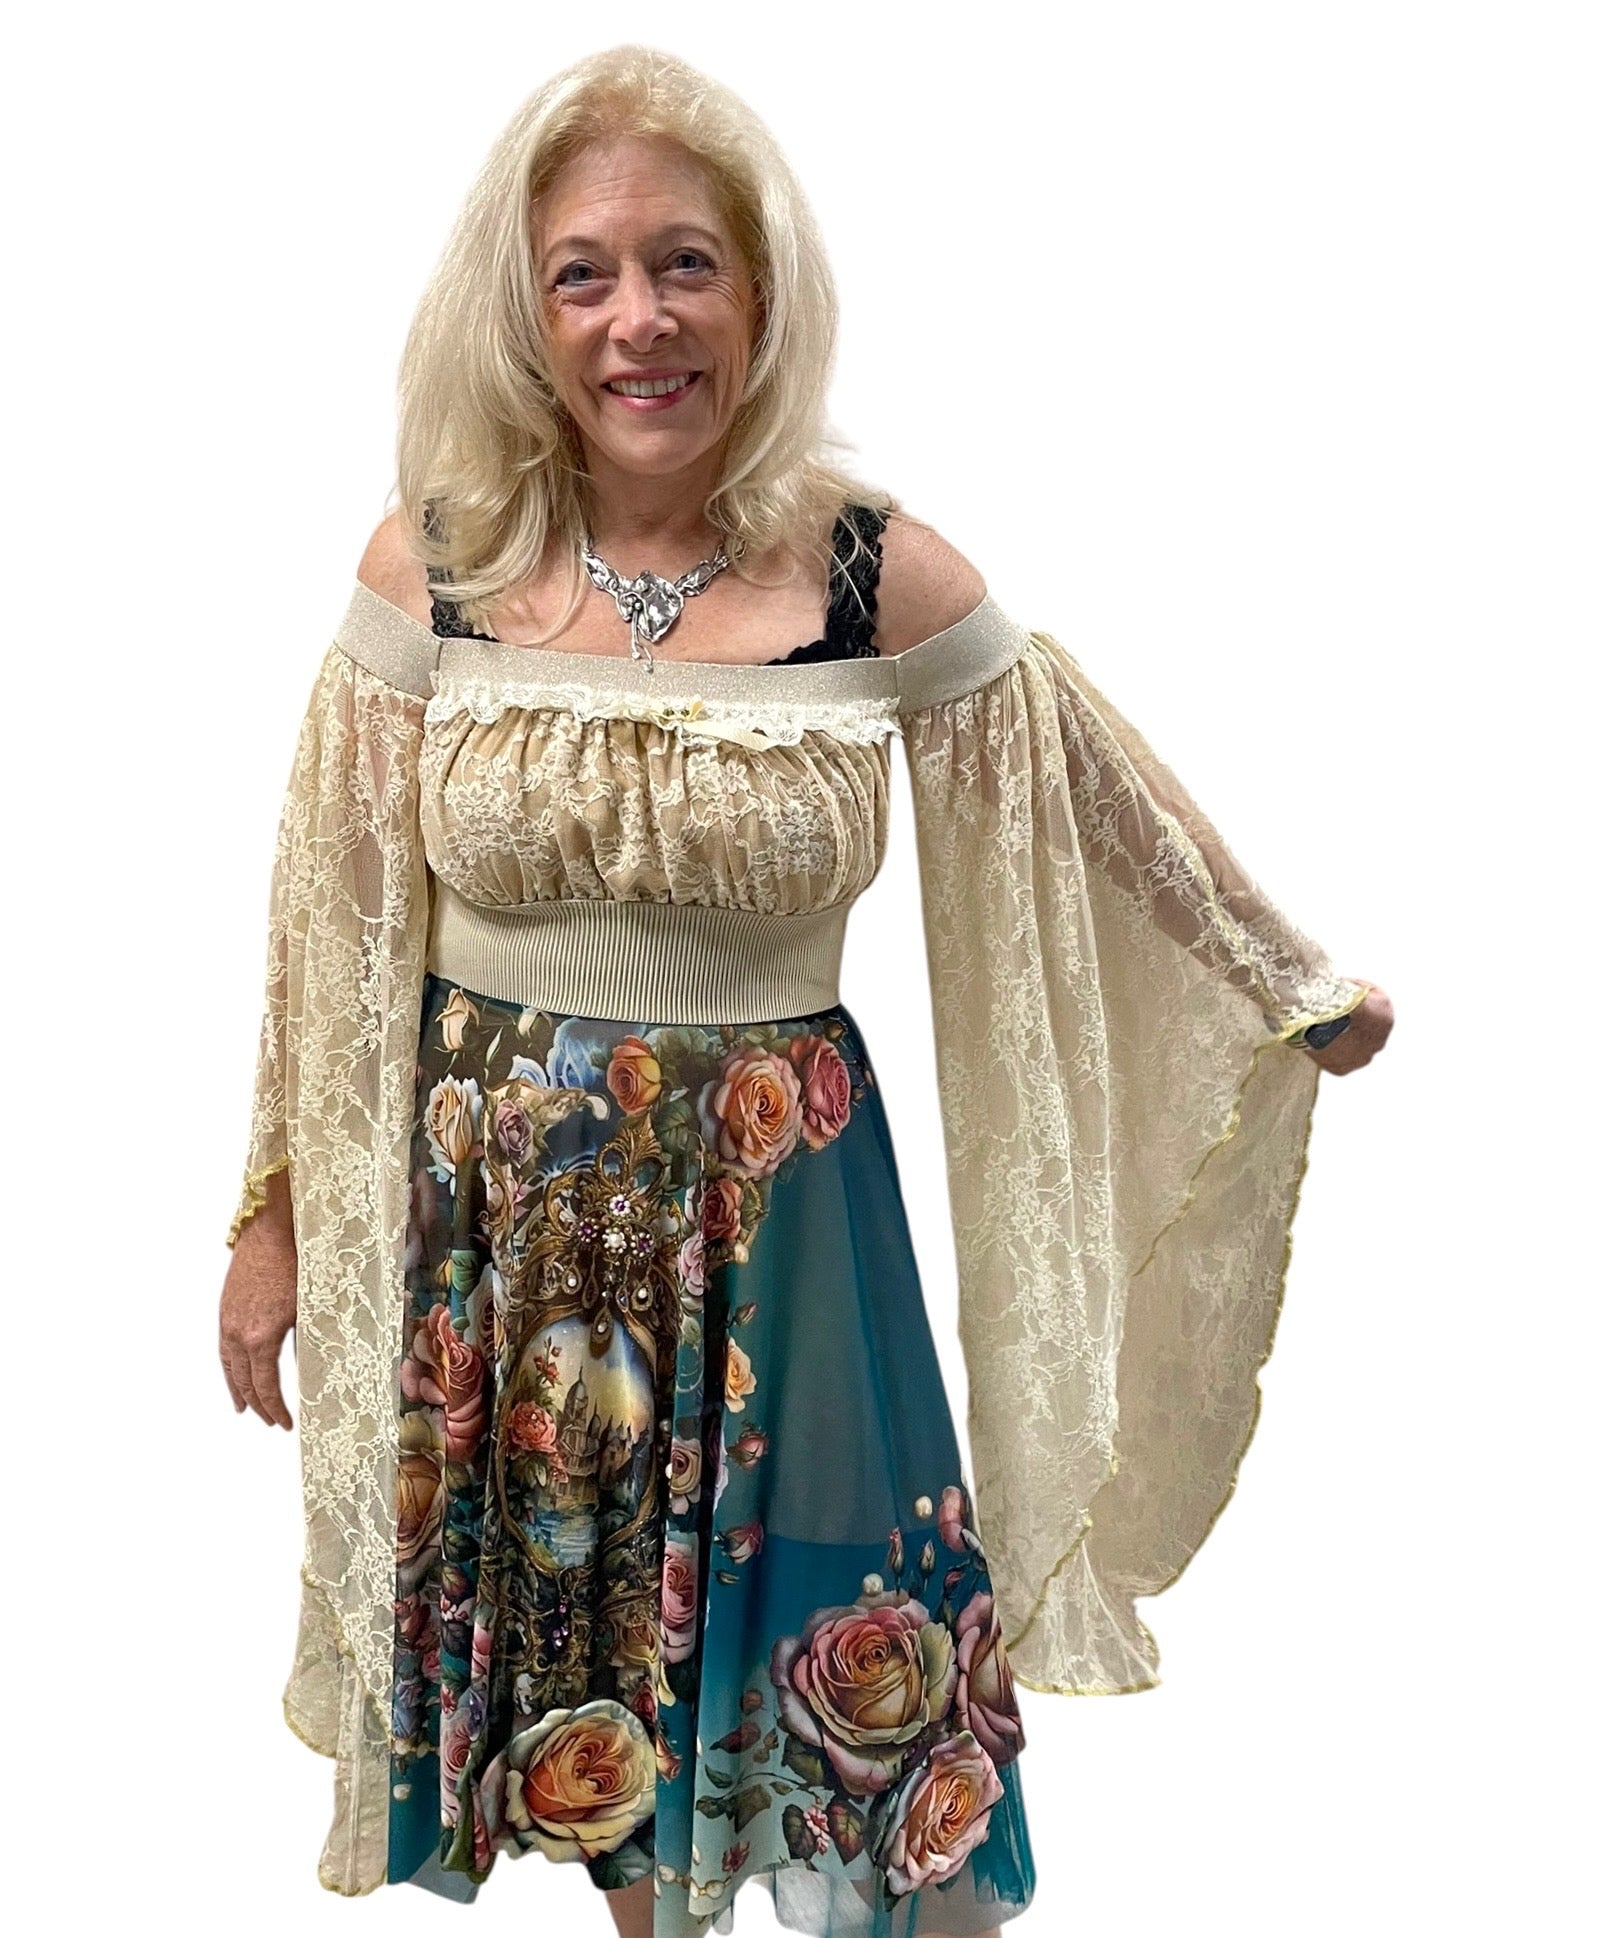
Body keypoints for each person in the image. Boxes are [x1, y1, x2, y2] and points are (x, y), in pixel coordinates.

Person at [217, 41, 1393, 1938]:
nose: (638, 319)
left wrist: (1284, 978)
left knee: (857, 1653)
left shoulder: (865, 570)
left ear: (758, 296)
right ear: (523, 312)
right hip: (507, 1225)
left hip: (782, 1218)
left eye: (683, 264)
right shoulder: (436, 562)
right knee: (604, 1684)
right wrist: (273, 1213)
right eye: (584, 274)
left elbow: (1077, 781)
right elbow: (325, 915)